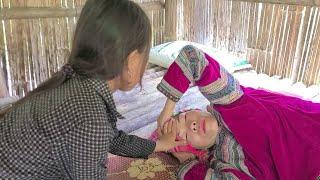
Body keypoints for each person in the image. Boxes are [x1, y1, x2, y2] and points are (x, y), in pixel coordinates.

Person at [0, 0, 185, 179]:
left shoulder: (77, 83)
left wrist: (160, 145)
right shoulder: (89, 115)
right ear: (132, 60)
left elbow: (114, 138)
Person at [155, 45, 320, 179]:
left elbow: (193, 58)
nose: (192, 125)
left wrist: (167, 110)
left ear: (196, 109)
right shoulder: (225, 162)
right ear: (196, 150)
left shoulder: (229, 100)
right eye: (184, 136)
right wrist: (187, 162)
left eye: (185, 117)